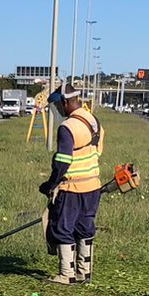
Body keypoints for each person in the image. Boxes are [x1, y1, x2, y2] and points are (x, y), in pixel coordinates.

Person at [39, 83, 103, 284]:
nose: (58, 110)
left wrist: (51, 184)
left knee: (62, 227)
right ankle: (85, 273)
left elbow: (63, 162)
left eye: (58, 106)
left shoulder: (67, 127)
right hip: (93, 185)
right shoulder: (93, 120)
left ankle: (67, 274)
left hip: (72, 187)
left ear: (66, 102)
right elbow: (97, 150)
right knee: (85, 228)